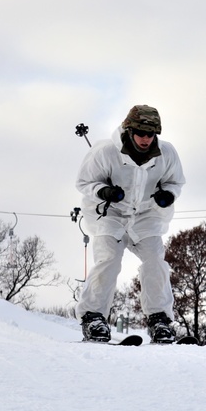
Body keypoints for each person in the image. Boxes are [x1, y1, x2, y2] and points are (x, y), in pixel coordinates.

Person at [75, 104, 185, 343]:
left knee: (155, 260)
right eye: (141, 134)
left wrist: (168, 195)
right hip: (110, 214)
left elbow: (175, 181)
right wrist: (103, 191)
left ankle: (160, 320)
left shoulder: (166, 154)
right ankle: (93, 317)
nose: (146, 139)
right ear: (129, 130)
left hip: (146, 216)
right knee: (109, 259)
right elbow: (84, 182)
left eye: (150, 134)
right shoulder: (105, 152)